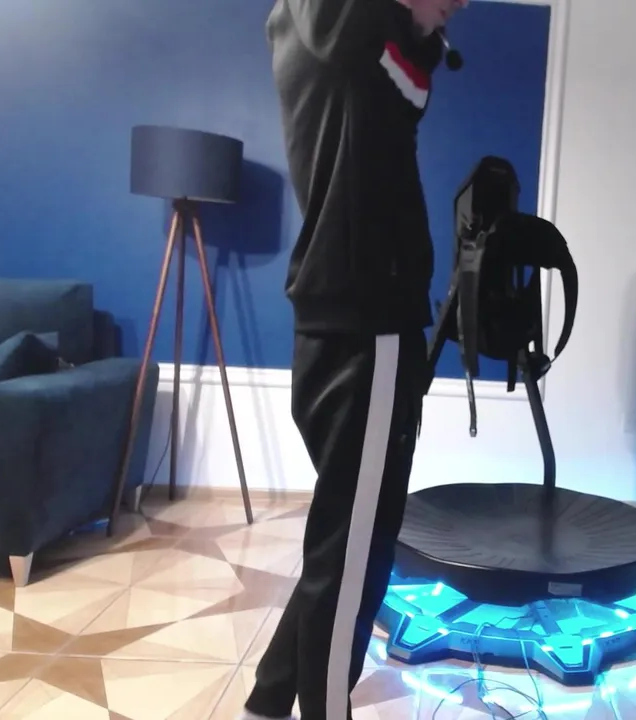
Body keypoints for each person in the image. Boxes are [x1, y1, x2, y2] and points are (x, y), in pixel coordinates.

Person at [242, 0, 469, 719]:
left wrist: (424, 31)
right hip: (369, 321)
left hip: (346, 314)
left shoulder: (334, 39)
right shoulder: (352, 23)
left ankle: (267, 702)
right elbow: (405, 75)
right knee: (355, 559)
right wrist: (421, 31)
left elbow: (405, 92)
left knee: (346, 541)